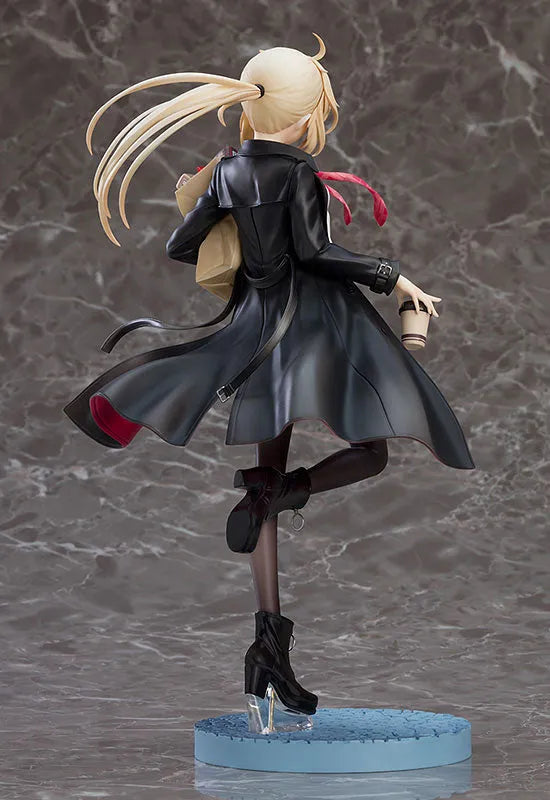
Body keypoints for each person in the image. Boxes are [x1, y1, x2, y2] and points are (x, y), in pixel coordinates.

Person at [63, 34, 475, 723]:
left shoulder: (229, 172)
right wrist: (392, 275)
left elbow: (180, 245)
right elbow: (315, 251)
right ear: (308, 113)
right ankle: (284, 495)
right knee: (371, 450)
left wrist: (226, 222)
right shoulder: (297, 174)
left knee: (265, 474)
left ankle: (266, 643)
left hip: (255, 329)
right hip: (308, 325)